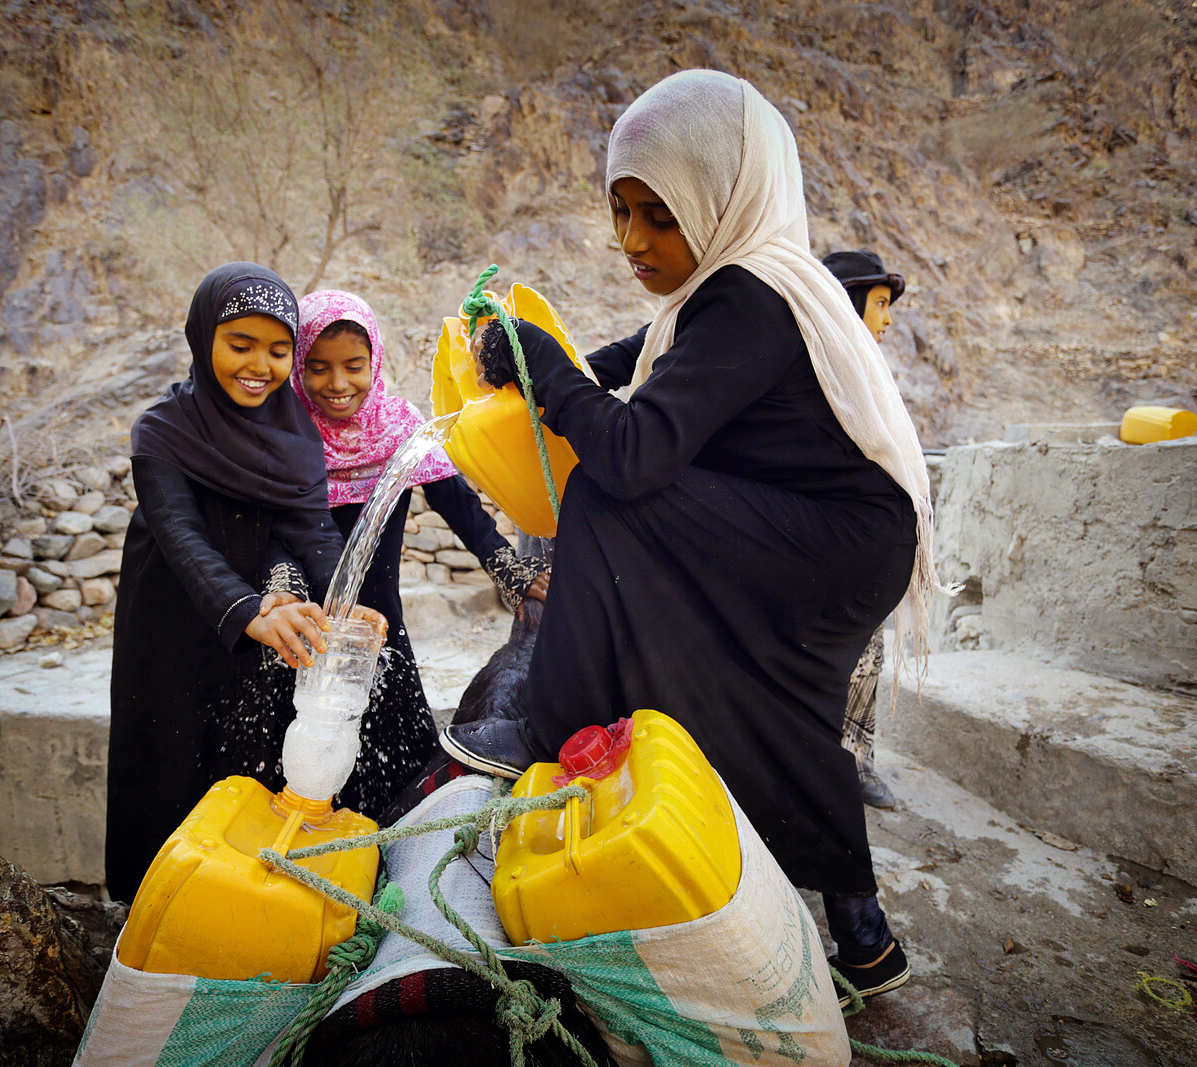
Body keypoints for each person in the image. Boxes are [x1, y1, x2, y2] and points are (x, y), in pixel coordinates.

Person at [438, 70, 950, 1005]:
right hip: (834, 535)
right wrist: (530, 367)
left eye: (658, 216)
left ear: (720, 199)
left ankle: (554, 725)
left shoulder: (749, 297)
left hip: (831, 540)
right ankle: (864, 935)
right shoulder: (726, 291)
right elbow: (632, 363)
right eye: (620, 210)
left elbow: (633, 452)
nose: (632, 240)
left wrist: (549, 372)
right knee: (774, 708)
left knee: (607, 498)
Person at [105, 263, 385, 903]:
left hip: (264, 623)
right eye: (240, 345)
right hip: (174, 620)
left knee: (249, 758)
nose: (260, 364)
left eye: (279, 350)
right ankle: (147, 909)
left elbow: (312, 528)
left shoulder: (292, 434)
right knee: (167, 761)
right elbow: (180, 535)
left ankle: (240, 907)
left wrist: (349, 600)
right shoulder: (163, 430)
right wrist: (245, 607)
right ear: (203, 339)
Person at [291, 289, 549, 820]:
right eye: (318, 368)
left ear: (375, 361)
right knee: (302, 771)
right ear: (298, 367)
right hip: (303, 635)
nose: (338, 384)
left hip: (379, 634)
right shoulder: (285, 436)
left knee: (398, 771)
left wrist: (510, 569)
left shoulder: (397, 427)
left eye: (354, 366)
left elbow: (461, 507)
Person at [822, 249, 909, 810]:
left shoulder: (870, 373)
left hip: (854, 547)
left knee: (867, 653)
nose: (888, 318)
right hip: (812, 540)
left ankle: (854, 762)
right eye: (879, 303)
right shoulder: (813, 368)